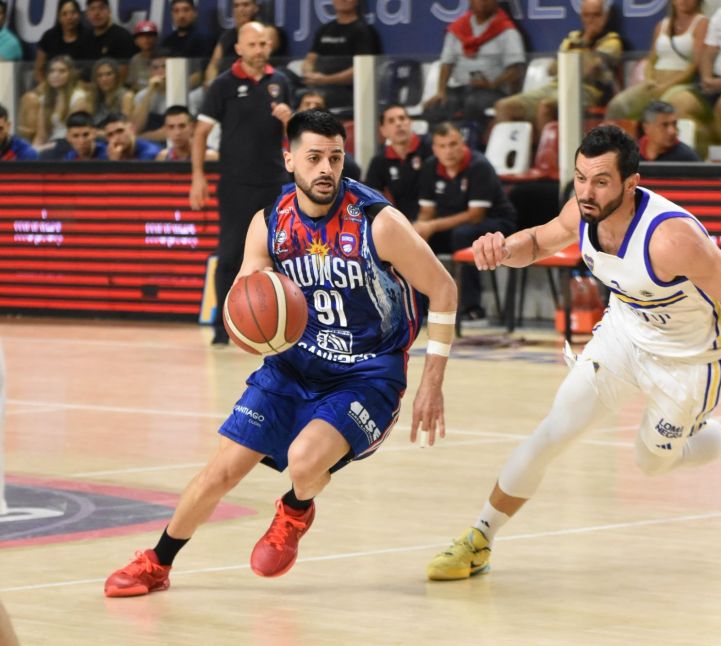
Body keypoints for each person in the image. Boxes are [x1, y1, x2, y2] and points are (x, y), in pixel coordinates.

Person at [425, 125, 721, 581]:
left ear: (630, 184)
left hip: (692, 360)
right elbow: (537, 243)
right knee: (553, 432)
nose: (587, 192)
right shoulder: (582, 210)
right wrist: (502, 249)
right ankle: (479, 538)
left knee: (652, 461)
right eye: (580, 178)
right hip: (625, 335)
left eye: (601, 181)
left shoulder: (672, 240)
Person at [104, 109, 458, 598]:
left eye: (335, 158)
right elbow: (246, 295)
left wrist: (432, 383)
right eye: (314, 158)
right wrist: (254, 322)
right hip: (294, 364)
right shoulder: (270, 223)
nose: (326, 169)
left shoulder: (378, 222)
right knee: (221, 471)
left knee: (304, 459)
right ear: (289, 159)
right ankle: (157, 562)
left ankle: (294, 509)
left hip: (367, 372)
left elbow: (444, 289)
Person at [191, 22, 293, 345]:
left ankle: (286, 323)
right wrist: (197, 177)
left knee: (282, 253)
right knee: (230, 253)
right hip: (236, 184)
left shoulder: (281, 81)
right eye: (252, 44)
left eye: (263, 44)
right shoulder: (223, 84)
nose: (259, 50)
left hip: (275, 182)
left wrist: (289, 120)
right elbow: (200, 134)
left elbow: (296, 137)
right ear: (238, 48)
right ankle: (222, 328)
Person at [416, 122, 516, 322]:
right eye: (442, 146)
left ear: (463, 144)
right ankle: (423, 304)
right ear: (435, 149)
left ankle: (472, 307)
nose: (448, 151)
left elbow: (475, 215)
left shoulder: (479, 166)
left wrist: (431, 225)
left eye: (453, 144)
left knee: (463, 235)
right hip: (453, 225)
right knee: (419, 241)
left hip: (495, 223)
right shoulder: (430, 167)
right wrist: (417, 230)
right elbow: (427, 212)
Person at [493, 0, 622, 134]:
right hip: (556, 86)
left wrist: (586, 41)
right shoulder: (571, 38)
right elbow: (551, 69)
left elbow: (589, 69)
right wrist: (579, 57)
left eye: (596, 15)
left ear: (605, 16)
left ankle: (549, 148)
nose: (590, 20)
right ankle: (509, 147)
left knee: (545, 106)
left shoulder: (612, 42)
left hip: (588, 91)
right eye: (586, 15)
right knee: (504, 106)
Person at [422, 0, 526, 131]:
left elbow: (516, 70)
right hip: (460, 88)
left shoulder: (507, 31)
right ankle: (440, 141)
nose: (482, 3)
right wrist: (441, 91)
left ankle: (471, 140)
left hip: (493, 91)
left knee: (472, 103)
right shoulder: (457, 28)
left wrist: (493, 84)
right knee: (435, 107)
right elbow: (446, 63)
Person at [606, 0, 708, 122]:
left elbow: (694, 65)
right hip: (655, 82)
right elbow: (651, 59)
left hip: (681, 84)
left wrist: (667, 85)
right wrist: (649, 79)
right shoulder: (662, 25)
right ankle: (612, 134)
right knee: (617, 105)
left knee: (666, 110)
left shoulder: (702, 23)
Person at [301, 0, 381, 111]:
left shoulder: (363, 31)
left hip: (348, 91)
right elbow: (309, 60)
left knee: (314, 101)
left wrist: (326, 80)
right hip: (319, 87)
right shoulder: (324, 29)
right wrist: (309, 74)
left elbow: (362, 68)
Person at [364, 103, 433, 221]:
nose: (398, 124)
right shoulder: (379, 161)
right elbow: (371, 200)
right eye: (391, 121)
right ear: (383, 131)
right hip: (402, 221)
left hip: (434, 219)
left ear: (410, 122)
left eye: (402, 118)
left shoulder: (431, 148)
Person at [204, 0, 286, 86]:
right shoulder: (227, 36)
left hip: (259, 83)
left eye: (245, 5)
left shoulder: (266, 31)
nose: (240, 9)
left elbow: (260, 58)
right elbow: (213, 65)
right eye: (236, 6)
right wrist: (211, 83)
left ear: (256, 7)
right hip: (227, 83)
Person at [18, 55, 92, 147]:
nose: (56, 75)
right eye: (52, 71)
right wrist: (34, 150)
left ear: (70, 74)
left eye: (62, 71)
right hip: (51, 144)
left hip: (70, 144)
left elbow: (76, 134)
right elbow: (41, 136)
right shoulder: (45, 99)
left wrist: (48, 147)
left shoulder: (78, 98)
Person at [34, 0, 97, 86]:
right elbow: (39, 68)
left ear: (79, 15)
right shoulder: (49, 36)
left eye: (73, 13)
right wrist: (44, 87)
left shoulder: (90, 37)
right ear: (59, 17)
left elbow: (93, 68)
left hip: (81, 85)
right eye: (64, 14)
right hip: (52, 85)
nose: (69, 17)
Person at [85, 0, 137, 81]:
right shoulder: (85, 37)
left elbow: (124, 72)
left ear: (109, 11)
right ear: (87, 14)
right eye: (92, 9)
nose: (96, 13)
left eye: (101, 8)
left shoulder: (122, 36)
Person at [131, 53, 168, 141]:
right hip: (146, 143)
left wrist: (139, 138)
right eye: (155, 68)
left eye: (164, 67)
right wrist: (150, 91)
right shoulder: (141, 96)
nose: (160, 71)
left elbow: (168, 133)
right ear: (150, 71)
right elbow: (136, 128)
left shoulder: (179, 95)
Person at [90, 58, 134, 125]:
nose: (104, 79)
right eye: (99, 75)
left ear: (117, 76)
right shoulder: (94, 96)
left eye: (109, 74)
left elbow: (125, 125)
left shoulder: (126, 97)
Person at [128, 20, 160, 92]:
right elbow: (133, 85)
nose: (146, 39)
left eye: (149, 36)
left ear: (156, 38)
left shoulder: (163, 58)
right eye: (141, 36)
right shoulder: (135, 60)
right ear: (136, 41)